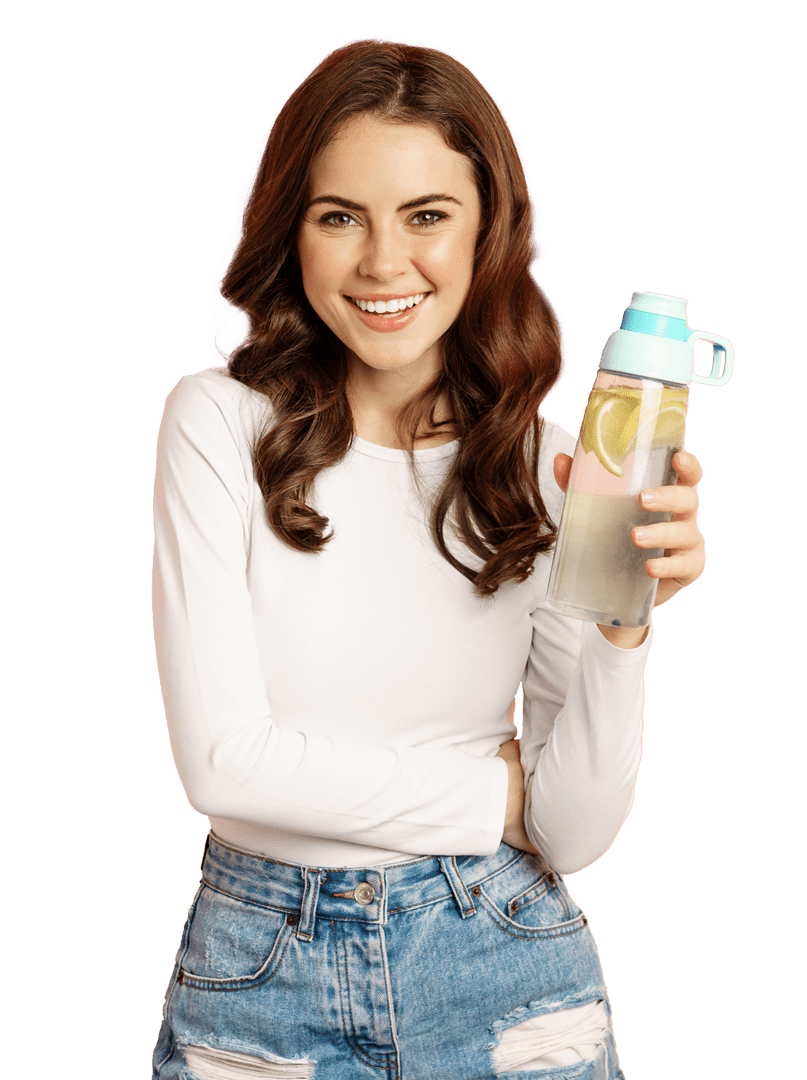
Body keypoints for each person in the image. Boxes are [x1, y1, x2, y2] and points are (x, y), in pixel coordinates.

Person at [150, 36, 706, 1079]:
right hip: (265, 971)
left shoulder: (549, 472)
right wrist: (492, 800)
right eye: (338, 216)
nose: (382, 265)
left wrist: (629, 617)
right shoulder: (216, 426)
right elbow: (222, 764)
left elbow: (574, 831)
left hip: (507, 959)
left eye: (427, 216)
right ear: (293, 233)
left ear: (487, 230)